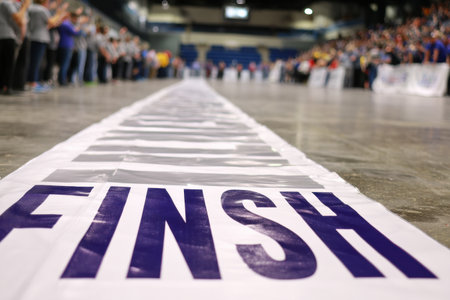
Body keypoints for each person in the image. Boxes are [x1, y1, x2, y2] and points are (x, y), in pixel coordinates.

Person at [27, 0, 66, 91]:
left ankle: (33, 81)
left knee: (34, 61)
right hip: (40, 38)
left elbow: (47, 25)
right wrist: (58, 13)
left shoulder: (31, 8)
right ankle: (32, 82)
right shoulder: (42, 10)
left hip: (32, 36)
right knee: (36, 62)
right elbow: (51, 22)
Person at [0, 0, 30, 95]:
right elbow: (19, 19)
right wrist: (25, 6)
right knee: (8, 63)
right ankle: (7, 87)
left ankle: (3, 86)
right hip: (7, 35)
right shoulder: (7, 3)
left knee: (4, 63)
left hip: (5, 35)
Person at [57, 11, 80, 86]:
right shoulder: (66, 23)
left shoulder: (64, 23)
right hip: (66, 45)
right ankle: (62, 80)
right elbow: (75, 32)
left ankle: (62, 79)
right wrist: (79, 25)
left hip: (63, 45)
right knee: (65, 64)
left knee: (64, 64)